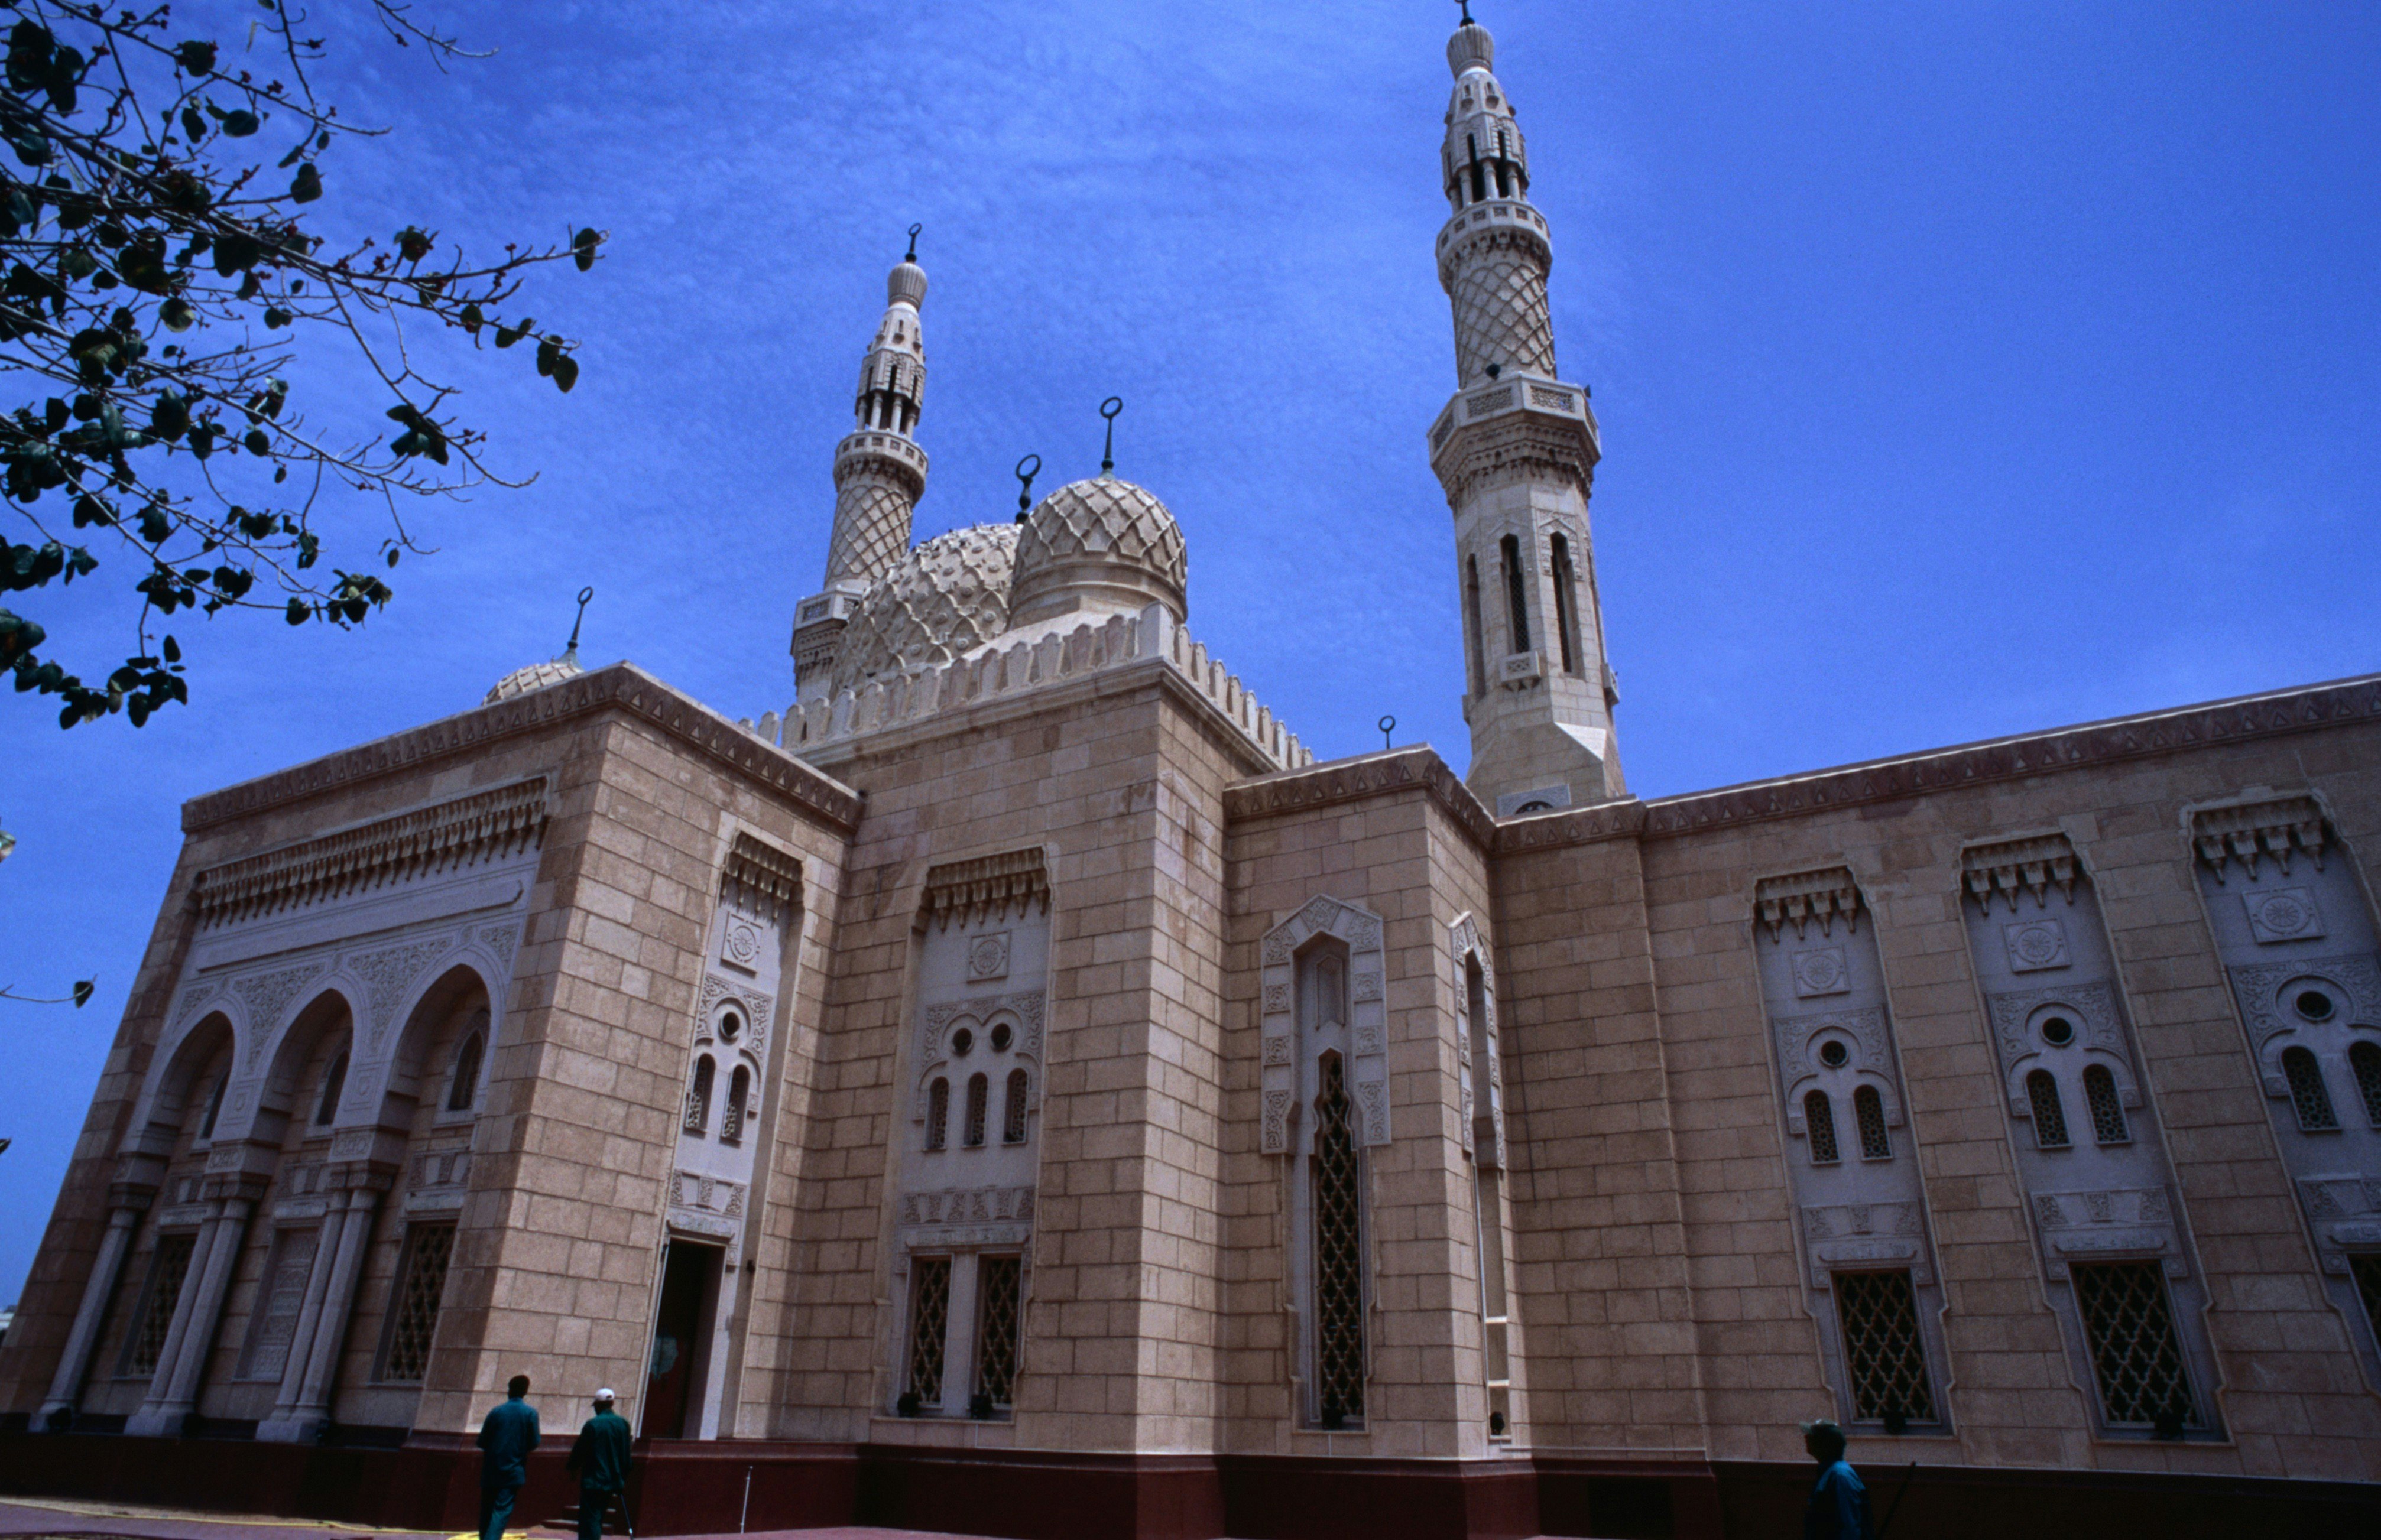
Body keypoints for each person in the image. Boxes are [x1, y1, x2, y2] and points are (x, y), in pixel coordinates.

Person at [475, 1374, 541, 1540]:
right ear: (525, 1392)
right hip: (513, 1469)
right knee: (501, 1510)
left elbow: (482, 1441)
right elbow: (534, 1443)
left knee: (487, 1510)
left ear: (509, 1390)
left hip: (491, 1469)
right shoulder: (530, 1414)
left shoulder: (496, 1412)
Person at [566, 1388, 634, 1540]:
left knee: (590, 1519)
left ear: (598, 1405)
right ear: (612, 1403)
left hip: (594, 1480)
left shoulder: (593, 1425)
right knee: (599, 1516)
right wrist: (622, 1478)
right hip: (612, 1480)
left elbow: (580, 1450)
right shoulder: (623, 1424)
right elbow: (626, 1455)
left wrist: (573, 1467)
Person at [1801, 1419, 1873, 1540]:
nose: (1806, 1438)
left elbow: (1848, 1527)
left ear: (1823, 1444)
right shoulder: (1832, 1473)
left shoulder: (1840, 1477)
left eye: (1812, 1436)